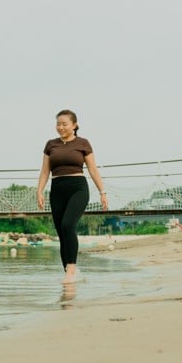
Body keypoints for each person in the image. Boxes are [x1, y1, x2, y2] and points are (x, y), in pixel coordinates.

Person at [37, 109, 108, 284]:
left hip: (78, 188)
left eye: (64, 124)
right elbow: (45, 170)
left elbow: (92, 169)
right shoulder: (50, 144)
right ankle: (68, 274)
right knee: (62, 232)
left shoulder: (83, 143)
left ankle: (71, 268)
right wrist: (39, 190)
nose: (60, 127)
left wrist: (102, 192)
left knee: (68, 225)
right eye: (58, 124)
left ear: (74, 125)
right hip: (57, 189)